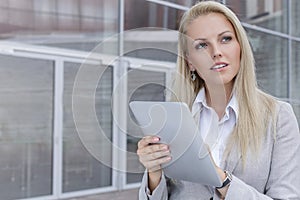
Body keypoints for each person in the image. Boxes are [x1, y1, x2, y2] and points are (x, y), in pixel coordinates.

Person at [136, 1, 300, 200]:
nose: (216, 52)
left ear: (240, 46)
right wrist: (154, 172)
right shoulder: (177, 118)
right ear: (190, 62)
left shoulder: (279, 117)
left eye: (225, 39)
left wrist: (222, 179)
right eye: (202, 45)